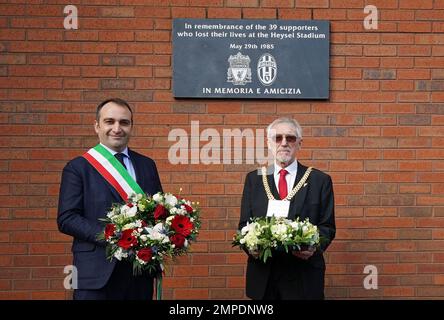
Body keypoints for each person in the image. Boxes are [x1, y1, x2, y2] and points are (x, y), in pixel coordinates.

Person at [57, 98, 163, 300]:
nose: (117, 128)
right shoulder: (78, 168)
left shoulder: (147, 165)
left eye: (124, 122)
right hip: (96, 274)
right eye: (109, 121)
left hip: (139, 272)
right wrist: (114, 237)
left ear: (131, 126)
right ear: (97, 126)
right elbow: (67, 218)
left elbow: (157, 211)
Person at [238, 117, 336, 300]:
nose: (284, 143)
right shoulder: (254, 179)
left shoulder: (319, 180)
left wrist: (314, 246)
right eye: (277, 138)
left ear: (299, 143)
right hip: (263, 275)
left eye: (290, 138)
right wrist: (249, 246)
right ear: (269, 143)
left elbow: (328, 226)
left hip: (303, 275)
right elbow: (244, 224)